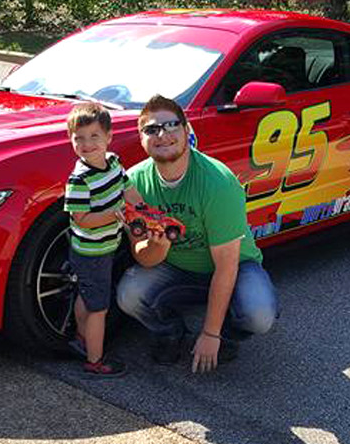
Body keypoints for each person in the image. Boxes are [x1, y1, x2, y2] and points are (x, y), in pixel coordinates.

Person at [116, 95, 277, 373]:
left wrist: (211, 333)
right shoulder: (133, 183)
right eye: (151, 129)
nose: (162, 134)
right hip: (177, 267)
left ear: (187, 130)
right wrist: (160, 247)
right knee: (129, 294)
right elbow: (143, 258)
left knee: (259, 314)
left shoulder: (217, 182)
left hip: (235, 267)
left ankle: (227, 336)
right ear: (141, 138)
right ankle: (170, 333)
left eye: (171, 125)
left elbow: (226, 266)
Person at [63, 102, 136, 378]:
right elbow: (82, 218)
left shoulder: (114, 162)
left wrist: (139, 207)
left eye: (94, 136)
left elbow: (126, 187)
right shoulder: (79, 180)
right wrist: (117, 216)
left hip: (104, 247)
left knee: (88, 294)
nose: (86, 143)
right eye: (78, 137)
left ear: (109, 137)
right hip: (90, 251)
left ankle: (82, 336)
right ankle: (95, 359)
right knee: (99, 308)